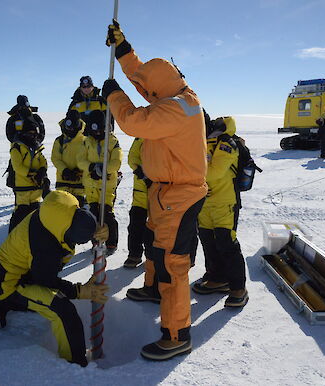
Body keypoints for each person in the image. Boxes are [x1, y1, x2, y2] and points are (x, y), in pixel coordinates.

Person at [102, 20, 207, 361]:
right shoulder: (173, 94)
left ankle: (177, 334)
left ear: (162, 88)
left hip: (180, 193)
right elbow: (146, 82)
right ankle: (152, 290)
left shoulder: (177, 109)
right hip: (164, 190)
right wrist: (123, 50)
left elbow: (132, 121)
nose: (145, 94)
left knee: (173, 260)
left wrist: (114, 96)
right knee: (155, 245)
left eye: (150, 91)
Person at [0, 190, 110, 367]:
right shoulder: (44, 245)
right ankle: (74, 365)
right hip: (12, 282)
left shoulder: (58, 212)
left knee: (51, 299)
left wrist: (96, 230)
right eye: (76, 240)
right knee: (63, 311)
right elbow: (44, 280)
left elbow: (83, 216)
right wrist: (78, 291)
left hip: (29, 271)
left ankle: (12, 301)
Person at [191, 116, 248, 308]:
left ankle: (239, 288)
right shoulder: (200, 142)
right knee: (208, 242)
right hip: (204, 203)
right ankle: (217, 278)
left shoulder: (226, 142)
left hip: (225, 202)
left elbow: (215, 172)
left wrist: (191, 171)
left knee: (227, 244)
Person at [76, 109, 122, 254]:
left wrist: (103, 170)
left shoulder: (112, 141)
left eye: (99, 129)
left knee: (107, 214)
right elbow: (80, 160)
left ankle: (111, 243)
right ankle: (96, 241)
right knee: (94, 215)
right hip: (90, 185)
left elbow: (116, 162)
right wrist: (91, 168)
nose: (96, 133)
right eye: (93, 129)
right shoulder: (86, 142)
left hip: (107, 185)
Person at [7, 103, 48, 232]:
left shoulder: (37, 147)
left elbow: (43, 161)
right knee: (20, 212)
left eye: (34, 133)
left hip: (35, 187)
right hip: (22, 187)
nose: (32, 135)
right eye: (29, 133)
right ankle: (14, 235)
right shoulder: (17, 147)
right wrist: (30, 173)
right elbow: (18, 166)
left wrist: (42, 171)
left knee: (35, 211)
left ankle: (31, 235)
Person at [124, 137, 153, 268]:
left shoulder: (167, 134)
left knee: (155, 228)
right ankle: (134, 255)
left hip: (159, 190)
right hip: (140, 190)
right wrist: (140, 172)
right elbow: (132, 157)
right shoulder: (141, 137)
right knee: (135, 225)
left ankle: (152, 257)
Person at [51, 110, 86, 206]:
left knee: (78, 212)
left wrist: (80, 170)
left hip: (79, 183)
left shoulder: (85, 141)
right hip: (63, 182)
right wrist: (65, 170)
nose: (70, 131)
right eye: (68, 128)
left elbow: (88, 158)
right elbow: (55, 158)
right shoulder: (60, 141)